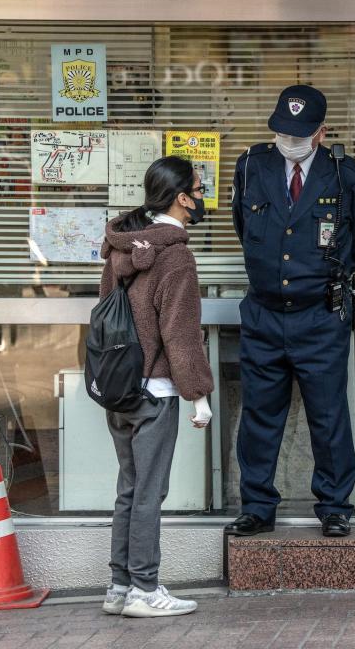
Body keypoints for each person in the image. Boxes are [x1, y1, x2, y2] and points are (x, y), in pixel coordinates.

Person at [226, 84, 355, 539]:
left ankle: (334, 504)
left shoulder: (345, 175)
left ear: (320, 132)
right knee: (259, 415)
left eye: (299, 133)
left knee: (328, 415)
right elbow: (241, 226)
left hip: (320, 315)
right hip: (264, 314)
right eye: (283, 131)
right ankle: (257, 505)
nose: (289, 141)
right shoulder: (252, 166)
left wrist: (326, 282)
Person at [99, 155, 213, 618]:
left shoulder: (120, 247)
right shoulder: (176, 255)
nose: (203, 196)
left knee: (129, 488)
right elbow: (180, 334)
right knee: (149, 491)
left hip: (118, 387)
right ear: (182, 198)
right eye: (199, 189)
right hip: (156, 391)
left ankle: (119, 586)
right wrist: (199, 394)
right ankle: (146, 589)